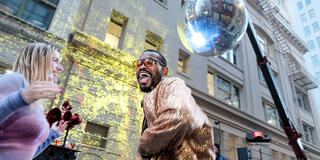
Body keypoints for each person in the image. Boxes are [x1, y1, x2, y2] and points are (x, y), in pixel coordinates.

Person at [135, 49, 215, 160]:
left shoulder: (172, 84)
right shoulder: (149, 97)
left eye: (149, 63)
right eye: (139, 64)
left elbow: (175, 117)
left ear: (164, 71)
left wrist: (143, 147)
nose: (142, 67)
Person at [0, 43, 68, 159]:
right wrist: (21, 98)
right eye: (55, 61)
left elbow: (28, 151)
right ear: (37, 60)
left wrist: (54, 133)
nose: (60, 68)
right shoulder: (15, 80)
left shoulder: (38, 107)